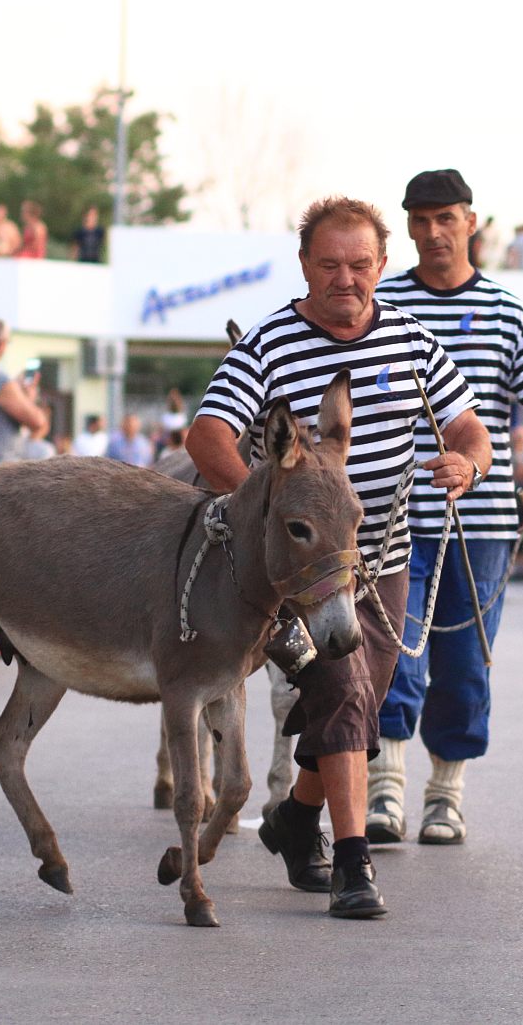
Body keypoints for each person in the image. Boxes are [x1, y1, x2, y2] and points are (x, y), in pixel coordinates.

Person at [189, 195, 489, 920]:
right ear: (304, 266)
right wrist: (267, 504)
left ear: (384, 266)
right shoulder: (268, 343)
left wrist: (466, 466)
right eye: (329, 264)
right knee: (347, 684)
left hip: (381, 554)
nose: (345, 278)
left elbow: (469, 428)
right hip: (292, 573)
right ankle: (352, 862)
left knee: (357, 694)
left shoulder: (414, 341)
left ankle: (296, 814)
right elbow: (207, 436)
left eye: (360, 264)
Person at [366, 169, 523, 848]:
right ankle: (385, 787)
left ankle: (446, 793)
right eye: (419, 221)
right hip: (394, 515)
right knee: (394, 649)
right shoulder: (381, 304)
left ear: (471, 222)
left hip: (481, 521)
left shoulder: (507, 312)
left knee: (463, 661)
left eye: (445, 218)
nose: (432, 233)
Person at [0, 318, 51, 463]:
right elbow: (38, 422)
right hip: (1, 466)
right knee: (46, 451)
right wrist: (28, 397)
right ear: (1, 344)